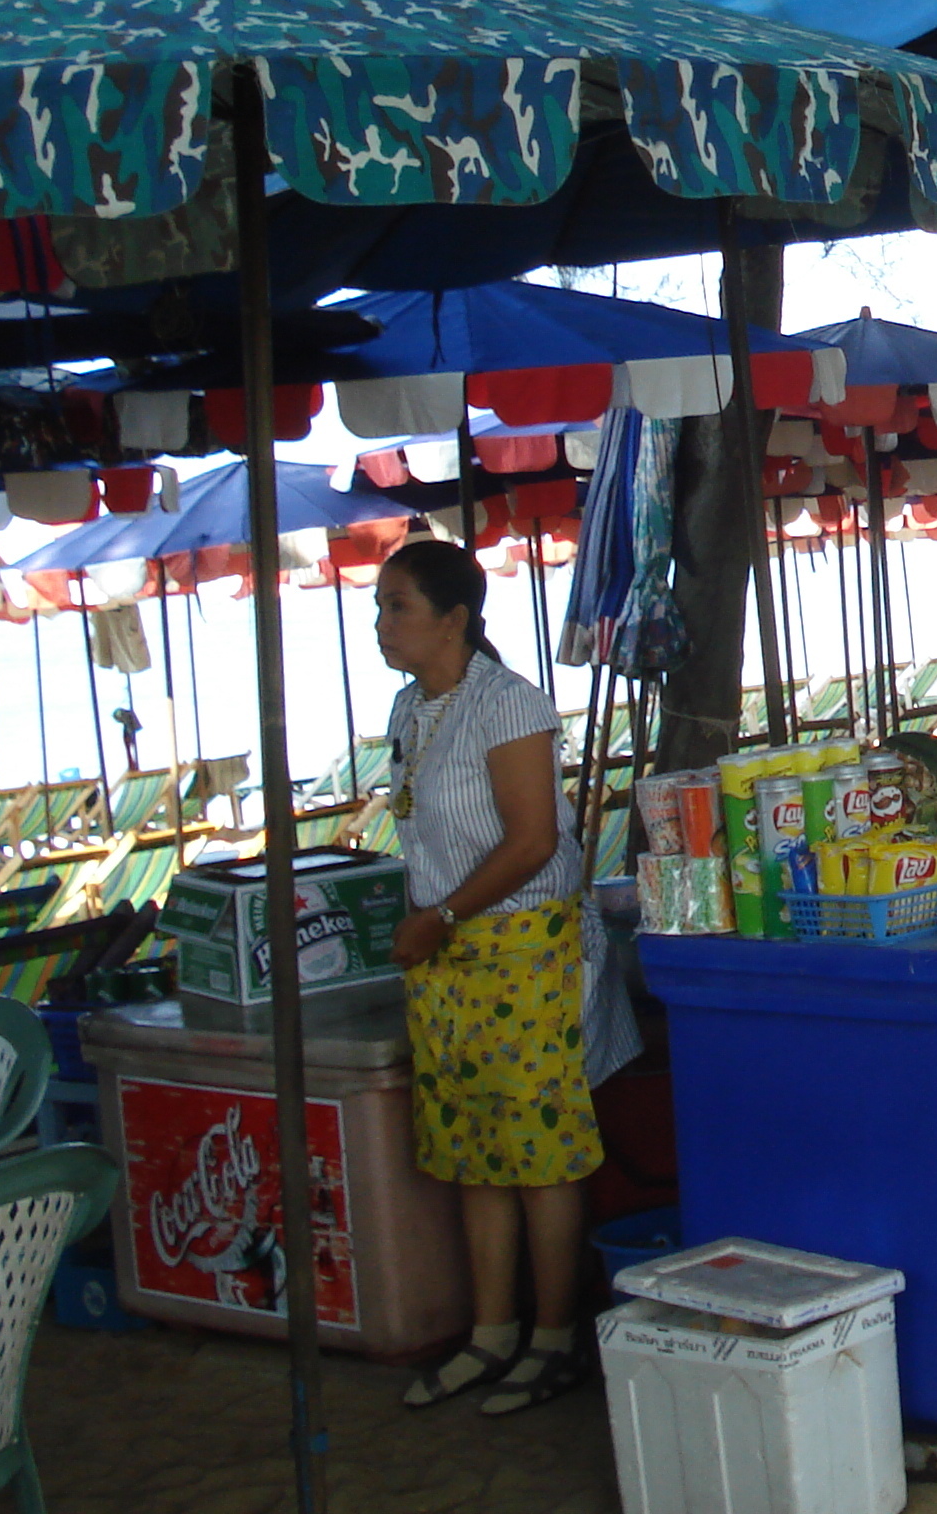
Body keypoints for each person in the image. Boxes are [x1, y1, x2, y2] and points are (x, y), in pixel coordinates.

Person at [376, 539, 598, 1416]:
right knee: (473, 1149)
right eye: (383, 606)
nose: (384, 625)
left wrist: (441, 917)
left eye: (398, 606)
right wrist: (433, 923)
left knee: (538, 1149)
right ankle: (491, 1334)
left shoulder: (510, 705)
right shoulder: (409, 708)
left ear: (454, 619)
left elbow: (535, 842)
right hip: (447, 955)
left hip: (517, 945)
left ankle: (552, 1337)